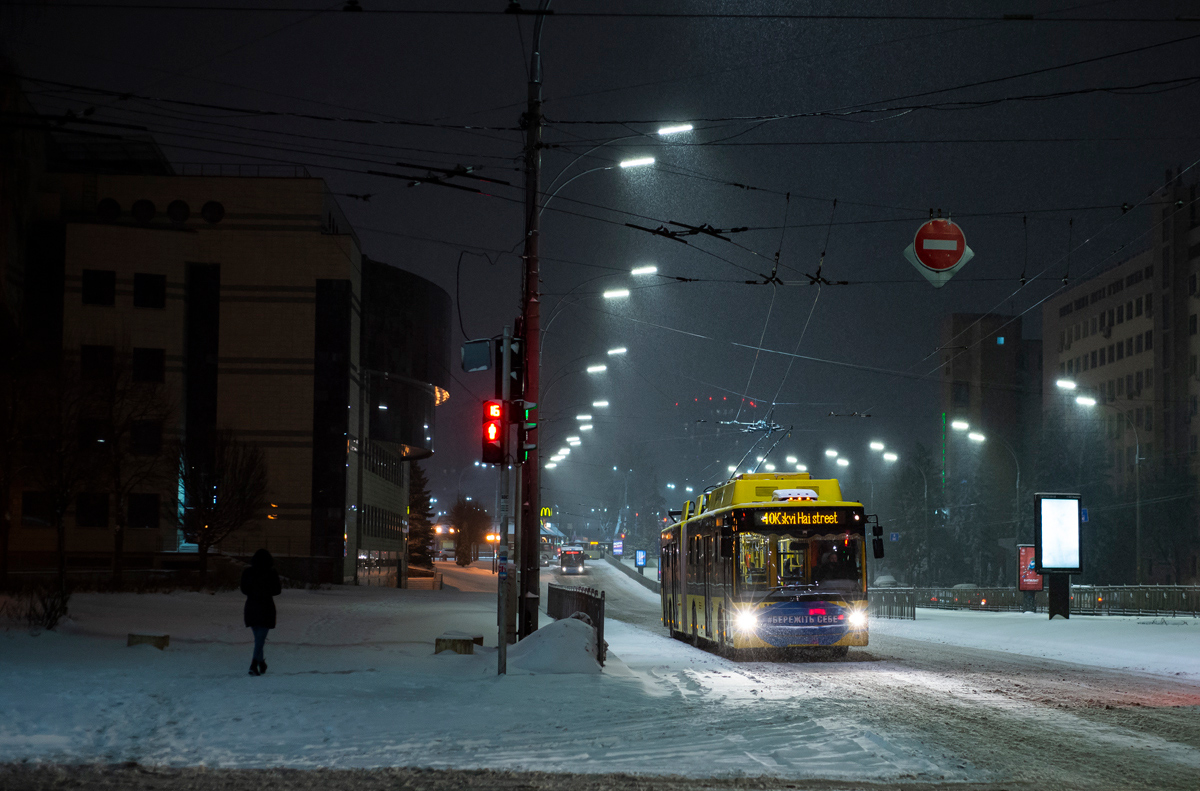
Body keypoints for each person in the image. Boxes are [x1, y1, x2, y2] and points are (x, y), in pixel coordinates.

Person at [240, 548, 281, 676]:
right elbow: (277, 590)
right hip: (266, 607)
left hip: (252, 606)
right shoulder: (271, 573)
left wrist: (254, 592)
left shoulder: (248, 572)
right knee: (260, 638)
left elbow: (243, 588)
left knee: (258, 638)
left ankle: (260, 663)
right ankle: (254, 664)